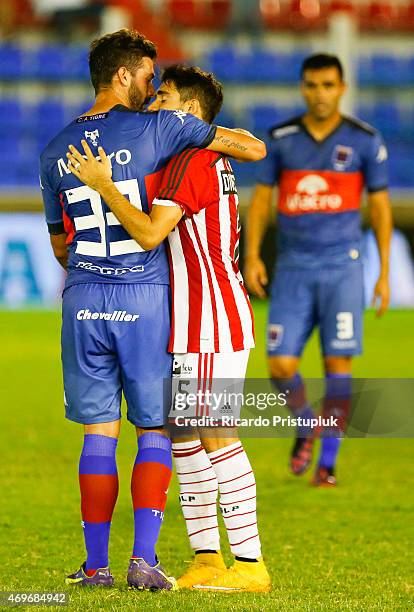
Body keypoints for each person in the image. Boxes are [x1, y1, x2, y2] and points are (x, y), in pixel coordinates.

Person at [39, 29, 266, 590]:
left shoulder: (54, 149)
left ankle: (99, 567)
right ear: (124, 74)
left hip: (89, 298)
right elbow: (252, 147)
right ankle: (151, 559)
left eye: (162, 87)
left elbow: (60, 246)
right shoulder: (160, 130)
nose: (152, 88)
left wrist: (101, 196)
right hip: (151, 301)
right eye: (148, 76)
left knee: (105, 433)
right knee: (163, 432)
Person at [244, 53, 392, 486]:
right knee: (280, 365)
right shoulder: (282, 138)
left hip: (343, 269)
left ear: (342, 88)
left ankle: (327, 464)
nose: (320, 93)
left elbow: (380, 208)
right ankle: (306, 421)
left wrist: (383, 271)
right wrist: (252, 256)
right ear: (302, 88)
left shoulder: (365, 140)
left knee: (337, 367)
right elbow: (261, 203)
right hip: (292, 268)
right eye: (312, 85)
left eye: (328, 85)